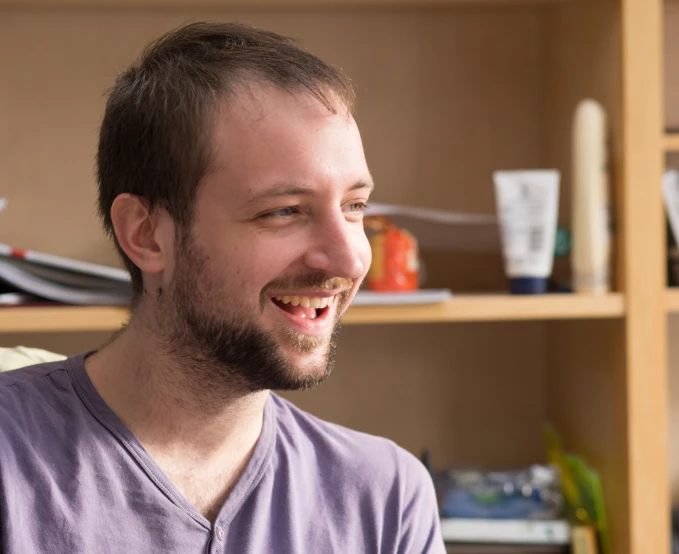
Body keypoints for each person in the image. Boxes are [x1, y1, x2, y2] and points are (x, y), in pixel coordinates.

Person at [0, 21, 445, 553]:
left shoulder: (385, 499)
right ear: (146, 235)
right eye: (283, 211)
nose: (349, 257)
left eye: (353, 206)